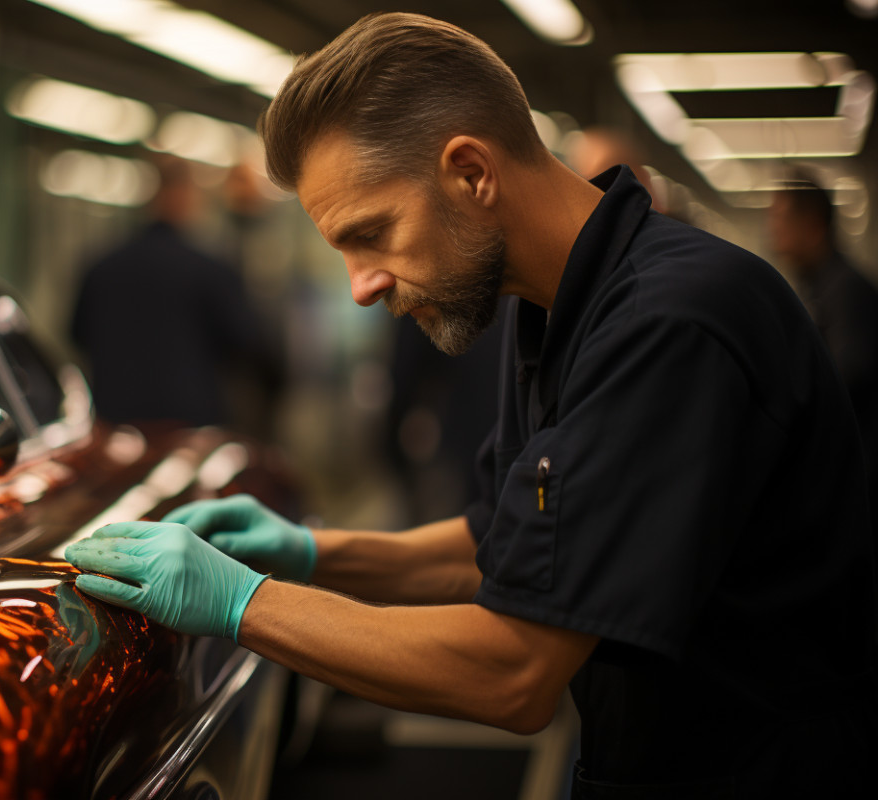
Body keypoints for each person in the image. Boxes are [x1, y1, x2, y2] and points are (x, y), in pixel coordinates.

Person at [64, 12, 878, 797]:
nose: (361, 287)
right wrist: (312, 552)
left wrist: (244, 603)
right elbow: (498, 545)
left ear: (472, 173)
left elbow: (515, 671)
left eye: (372, 233)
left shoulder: (674, 321)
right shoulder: (544, 305)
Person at [69, 155, 282, 432]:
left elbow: (76, 335)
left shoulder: (101, 267)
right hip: (189, 428)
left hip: (113, 426)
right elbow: (248, 343)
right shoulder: (209, 270)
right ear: (186, 196)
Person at [768, 175, 878, 520]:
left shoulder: (845, 289)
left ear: (812, 224)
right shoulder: (818, 286)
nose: (773, 230)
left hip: (859, 475)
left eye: (780, 218)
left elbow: (848, 374)